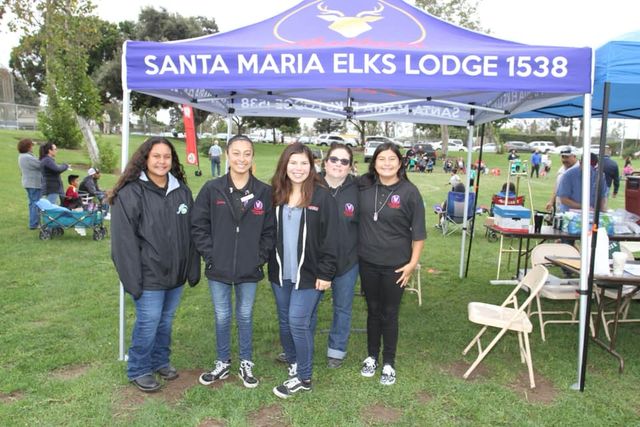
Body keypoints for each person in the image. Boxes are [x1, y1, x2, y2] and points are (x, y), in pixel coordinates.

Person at [110, 137, 200, 393]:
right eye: (156, 156)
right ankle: (139, 368)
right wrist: (132, 280)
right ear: (145, 159)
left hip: (175, 274)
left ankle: (160, 360)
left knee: (166, 321)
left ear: (173, 161)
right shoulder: (130, 193)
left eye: (167, 157)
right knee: (148, 321)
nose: (162, 162)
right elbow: (122, 243)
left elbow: (192, 232)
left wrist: (192, 268)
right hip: (148, 274)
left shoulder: (181, 191)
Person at [191, 135, 275, 389]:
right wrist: (211, 255)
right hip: (219, 268)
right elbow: (198, 226)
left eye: (247, 153)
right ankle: (222, 361)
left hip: (250, 269)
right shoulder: (212, 188)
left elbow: (270, 231)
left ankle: (246, 362)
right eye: (236, 153)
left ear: (252, 157)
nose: (241, 158)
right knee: (222, 315)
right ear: (227, 155)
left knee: (246, 316)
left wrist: (258, 258)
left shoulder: (264, 192)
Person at [268, 143, 338, 399]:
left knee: (298, 321)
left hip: (310, 274)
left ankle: (304, 377)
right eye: (293, 163)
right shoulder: (275, 193)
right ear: (285, 165)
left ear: (312, 166)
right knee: (286, 321)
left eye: (304, 163)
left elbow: (332, 239)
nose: (298, 168)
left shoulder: (322, 196)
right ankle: (295, 362)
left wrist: (326, 273)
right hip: (280, 272)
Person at [358, 142, 426, 386]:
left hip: (396, 266)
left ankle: (388, 362)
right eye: (381, 159)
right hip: (367, 262)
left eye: (391, 159)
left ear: (400, 163)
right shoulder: (364, 187)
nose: (386, 163)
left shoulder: (410, 192)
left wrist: (412, 264)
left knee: (390, 313)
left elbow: (419, 234)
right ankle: (371, 356)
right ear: (374, 163)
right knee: (373, 310)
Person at [320, 143, 360, 369]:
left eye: (344, 161)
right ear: (325, 162)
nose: (338, 164)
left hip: (347, 260)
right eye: (334, 159)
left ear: (350, 167)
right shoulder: (310, 184)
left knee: (343, 307)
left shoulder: (358, 188)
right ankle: (297, 346)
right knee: (308, 307)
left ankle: (336, 350)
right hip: (315, 261)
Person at [17, 139, 42, 229]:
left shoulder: (23, 156)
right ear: (27, 147)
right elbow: (40, 165)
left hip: (29, 183)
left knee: (32, 203)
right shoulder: (27, 157)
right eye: (31, 145)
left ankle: (33, 222)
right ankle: (34, 224)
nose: (32, 147)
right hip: (33, 184)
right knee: (36, 203)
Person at [545, 147, 579, 212]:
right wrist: (551, 201)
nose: (564, 159)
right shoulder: (562, 169)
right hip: (560, 207)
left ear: (574, 156)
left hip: (573, 209)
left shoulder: (579, 170)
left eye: (567, 157)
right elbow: (557, 186)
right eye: (562, 157)